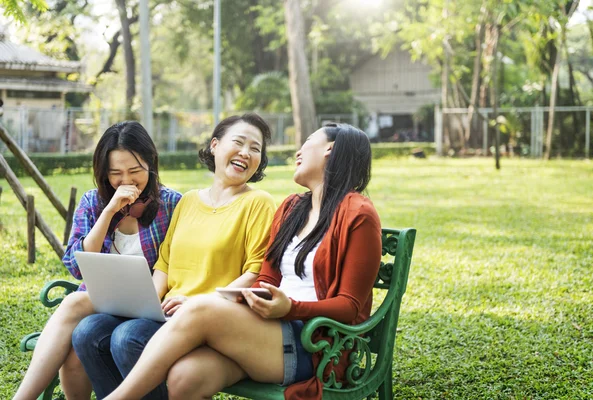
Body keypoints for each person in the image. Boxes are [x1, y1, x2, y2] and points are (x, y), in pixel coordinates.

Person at [100, 123, 382, 400]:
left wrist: (291, 308)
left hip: (315, 345)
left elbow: (350, 306)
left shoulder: (358, 213)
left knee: (200, 309)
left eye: (307, 141)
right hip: (266, 332)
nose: (299, 150)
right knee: (185, 378)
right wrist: (245, 299)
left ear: (329, 150)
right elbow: (267, 280)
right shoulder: (293, 207)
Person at [71, 113, 277, 399]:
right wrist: (145, 307)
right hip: (166, 314)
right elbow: (165, 264)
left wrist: (197, 303)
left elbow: (254, 273)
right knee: (87, 332)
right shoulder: (189, 200)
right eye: (239, 142)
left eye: (255, 148)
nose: (246, 152)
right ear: (215, 145)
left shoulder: (258, 203)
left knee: (127, 338)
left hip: (209, 319)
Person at [13, 121, 182, 400]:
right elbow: (77, 267)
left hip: (152, 305)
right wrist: (109, 212)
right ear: (104, 173)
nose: (126, 180)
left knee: (74, 302)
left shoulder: (171, 204)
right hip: (102, 305)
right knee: (75, 350)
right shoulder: (94, 202)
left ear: (150, 164)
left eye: (135, 171)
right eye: (116, 173)